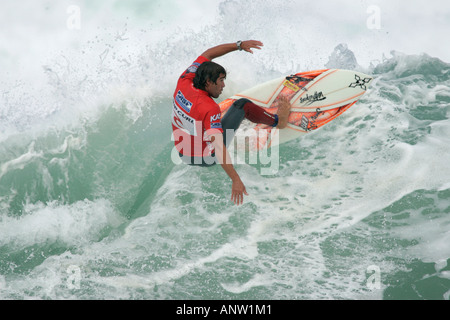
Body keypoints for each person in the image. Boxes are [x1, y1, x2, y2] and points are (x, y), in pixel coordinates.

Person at [172, 40, 291, 206]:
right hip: (206, 157)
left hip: (182, 151)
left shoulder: (185, 80)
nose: (223, 85)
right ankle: (279, 121)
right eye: (220, 80)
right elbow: (219, 148)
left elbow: (208, 54)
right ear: (207, 82)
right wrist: (235, 179)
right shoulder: (209, 108)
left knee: (207, 119)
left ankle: (219, 127)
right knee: (242, 105)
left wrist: (239, 45)